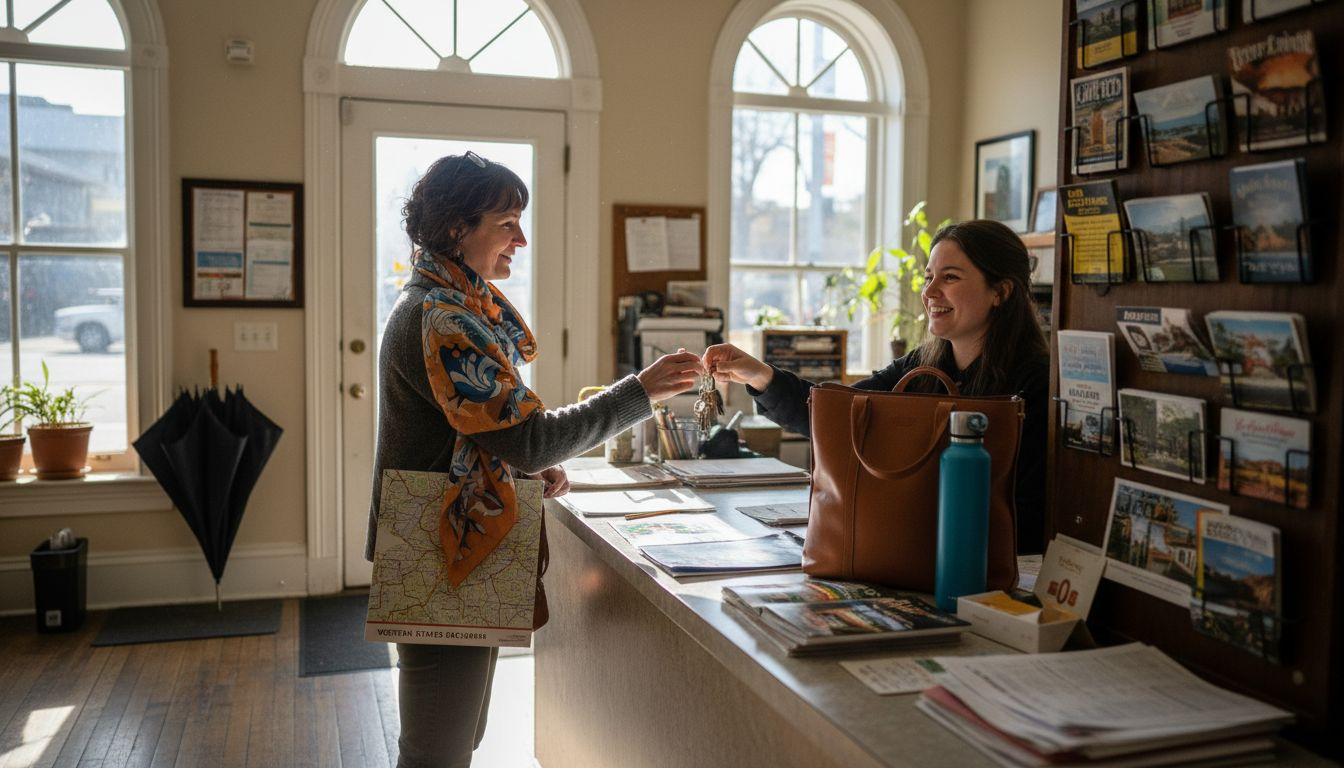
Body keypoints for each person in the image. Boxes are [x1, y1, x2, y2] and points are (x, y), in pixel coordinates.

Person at [368, 151, 704, 768]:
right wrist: (640, 392)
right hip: (440, 549)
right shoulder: (442, 319)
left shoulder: (449, 305)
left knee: (455, 736)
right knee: (437, 750)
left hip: (451, 540)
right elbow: (530, 438)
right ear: (455, 228)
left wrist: (518, 462)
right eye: (506, 224)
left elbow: (492, 435)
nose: (520, 240)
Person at [703, 219, 1050, 554]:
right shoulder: (919, 366)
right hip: (906, 553)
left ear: (1000, 292)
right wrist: (758, 373)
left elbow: (1026, 511)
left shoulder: (1037, 380)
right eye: (928, 277)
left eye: (950, 277)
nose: (929, 292)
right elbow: (834, 413)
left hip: (981, 563)